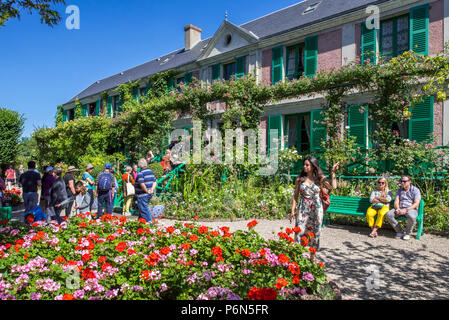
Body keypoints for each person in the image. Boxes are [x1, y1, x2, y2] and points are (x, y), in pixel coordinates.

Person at [289, 157, 339, 263]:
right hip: (303, 209)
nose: (305, 167)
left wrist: (333, 172)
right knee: (299, 231)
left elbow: (333, 187)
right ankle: (296, 257)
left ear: (313, 166)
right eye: (304, 165)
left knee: (315, 233)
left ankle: (312, 257)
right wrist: (292, 210)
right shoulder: (300, 179)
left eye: (307, 165)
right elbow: (295, 196)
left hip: (316, 209)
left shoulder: (319, 178)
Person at [385, 175, 422, 240]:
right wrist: (397, 209)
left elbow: (416, 203)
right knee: (388, 214)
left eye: (404, 181)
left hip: (411, 209)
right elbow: (396, 201)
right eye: (401, 181)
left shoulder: (415, 190)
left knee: (412, 216)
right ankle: (399, 231)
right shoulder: (399, 190)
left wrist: (406, 209)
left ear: (410, 181)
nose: (402, 183)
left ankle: (407, 233)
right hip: (400, 208)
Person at [134, 158, 157, 222]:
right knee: (142, 210)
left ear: (140, 165)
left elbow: (142, 184)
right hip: (149, 193)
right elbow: (155, 182)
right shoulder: (151, 172)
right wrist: (152, 189)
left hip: (142, 194)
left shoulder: (140, 173)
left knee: (144, 210)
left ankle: (150, 224)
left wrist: (146, 190)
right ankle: (139, 224)